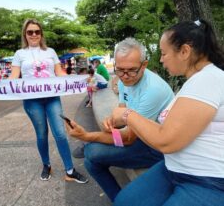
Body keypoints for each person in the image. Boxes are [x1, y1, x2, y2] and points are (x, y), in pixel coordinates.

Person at [90, 20, 224, 205]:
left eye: (163, 53)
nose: (161, 60)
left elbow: (165, 140)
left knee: (92, 155)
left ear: (184, 51)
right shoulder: (198, 80)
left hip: (206, 179)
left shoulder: (206, 80)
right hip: (174, 167)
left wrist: (127, 115)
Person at [65, 37, 174, 201]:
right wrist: (112, 121)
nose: (125, 76)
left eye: (131, 70)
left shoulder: (153, 90)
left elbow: (129, 138)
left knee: (91, 152)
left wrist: (87, 136)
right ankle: (118, 199)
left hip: (157, 147)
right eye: (120, 69)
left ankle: (88, 146)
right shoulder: (125, 79)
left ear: (144, 65)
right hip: (139, 137)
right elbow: (122, 109)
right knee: (90, 162)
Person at [10, 18, 88, 183]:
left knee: (60, 133)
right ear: (25, 33)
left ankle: (70, 170)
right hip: (32, 101)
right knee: (42, 134)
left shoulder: (50, 52)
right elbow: (13, 78)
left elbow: (60, 74)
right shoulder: (19, 54)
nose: (34, 35)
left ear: (41, 34)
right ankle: (46, 164)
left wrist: (79, 81)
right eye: (30, 32)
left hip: (52, 98)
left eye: (37, 32)